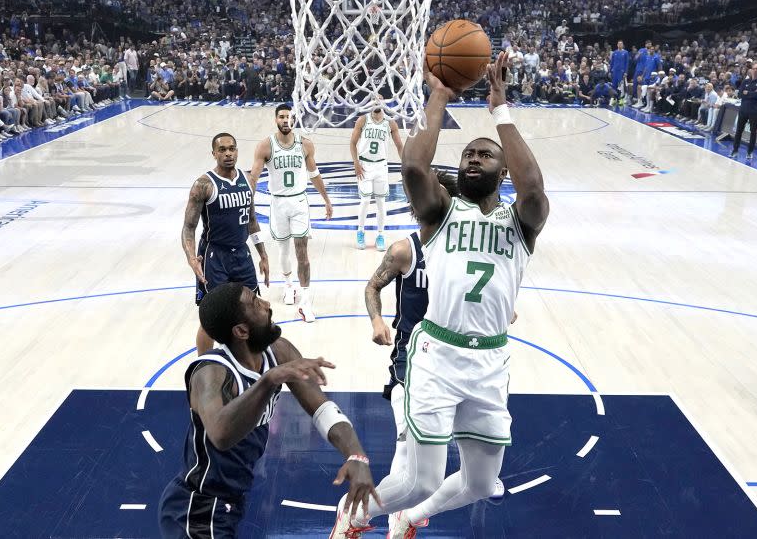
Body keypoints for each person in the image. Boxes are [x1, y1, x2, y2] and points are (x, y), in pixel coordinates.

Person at [331, 51, 549, 538]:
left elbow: (534, 188)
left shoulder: (520, 224)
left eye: (484, 154)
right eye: (468, 154)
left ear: (502, 170)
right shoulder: (440, 216)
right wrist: (438, 98)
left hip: (491, 362)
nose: (473, 158)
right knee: (416, 478)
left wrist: (501, 110)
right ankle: (353, 516)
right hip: (437, 354)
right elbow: (413, 165)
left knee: (481, 482)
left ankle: (406, 520)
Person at [159, 282, 379, 538]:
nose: (267, 305)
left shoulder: (279, 352)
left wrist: (356, 456)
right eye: (255, 303)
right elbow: (220, 434)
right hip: (198, 509)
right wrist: (268, 380)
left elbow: (323, 409)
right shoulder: (210, 373)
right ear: (241, 330)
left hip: (228, 504)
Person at [363, 170, 506, 533]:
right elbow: (372, 287)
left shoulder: (472, 247)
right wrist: (377, 320)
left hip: (459, 359)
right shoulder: (404, 250)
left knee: (464, 466)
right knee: (406, 444)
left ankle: (419, 503)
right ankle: (390, 512)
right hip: (409, 359)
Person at [182, 133, 270, 355]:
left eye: (232, 148)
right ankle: (203, 365)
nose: (228, 153)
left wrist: (264, 255)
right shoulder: (203, 185)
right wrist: (191, 257)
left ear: (237, 151)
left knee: (252, 310)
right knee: (212, 319)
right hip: (214, 256)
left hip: (242, 254)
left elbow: (251, 220)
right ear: (214, 154)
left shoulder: (248, 180)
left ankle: (251, 361)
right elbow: (188, 227)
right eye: (222, 149)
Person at [248, 104, 333, 322]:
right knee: (284, 250)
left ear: (294, 120)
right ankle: (288, 285)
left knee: (302, 250)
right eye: (282, 117)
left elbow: (314, 174)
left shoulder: (305, 145)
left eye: (289, 117)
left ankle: (305, 302)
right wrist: (248, 201)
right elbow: (254, 177)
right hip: (278, 203)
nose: (286, 120)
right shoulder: (265, 146)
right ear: (276, 119)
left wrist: (326, 199)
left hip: (299, 202)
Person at [349, 102, 404, 251]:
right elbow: (353, 143)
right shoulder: (363, 120)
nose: (376, 103)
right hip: (365, 165)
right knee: (365, 200)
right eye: (373, 100)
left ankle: (381, 234)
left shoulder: (390, 122)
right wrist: (356, 162)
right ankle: (360, 231)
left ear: (383, 103)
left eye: (379, 100)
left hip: (381, 166)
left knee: (381, 202)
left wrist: (404, 163)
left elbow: (399, 146)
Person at [731, 63, 757, 160]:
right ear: (751, 70)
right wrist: (753, 93)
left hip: (754, 111)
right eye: (754, 68)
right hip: (743, 109)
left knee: (753, 132)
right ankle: (735, 150)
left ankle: (750, 152)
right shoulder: (745, 81)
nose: (756, 70)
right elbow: (740, 94)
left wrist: (748, 93)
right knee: (738, 131)